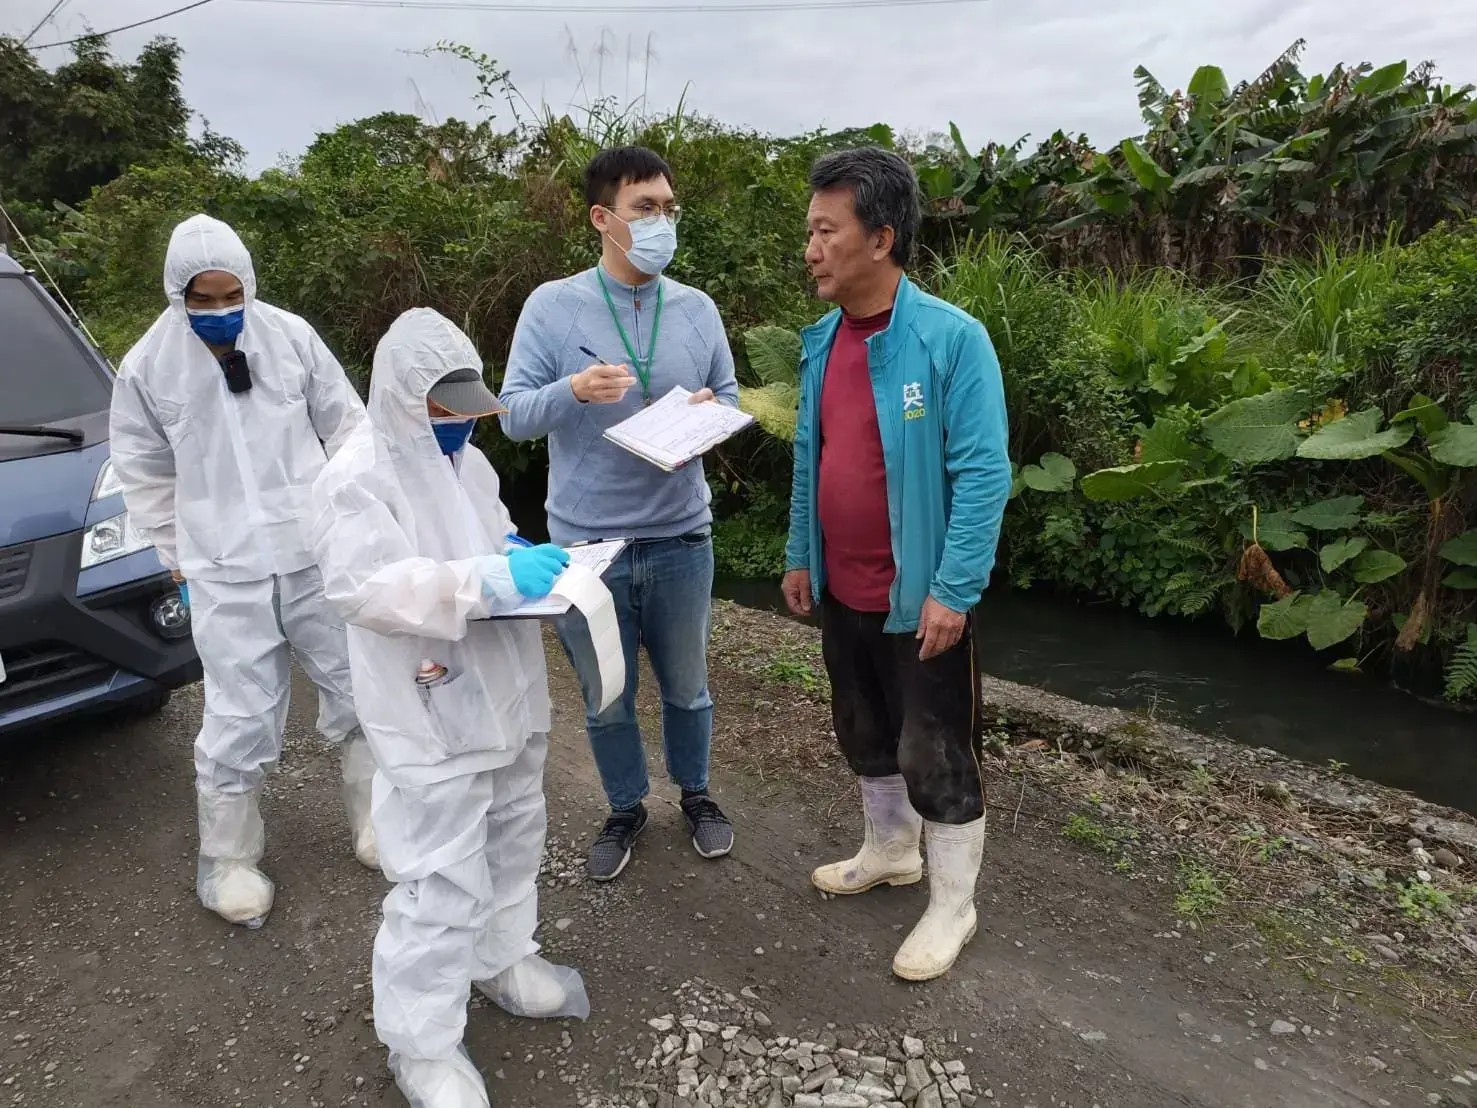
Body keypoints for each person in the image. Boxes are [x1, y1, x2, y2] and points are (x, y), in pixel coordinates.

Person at [308, 307, 589, 1108]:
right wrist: (484, 580)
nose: (460, 426)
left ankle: (502, 957)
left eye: (467, 411)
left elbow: (488, 533)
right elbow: (364, 589)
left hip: (505, 686)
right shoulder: (355, 476)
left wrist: (512, 553)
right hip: (426, 700)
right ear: (403, 398)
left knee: (514, 831)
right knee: (438, 875)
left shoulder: (467, 462)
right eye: (444, 411)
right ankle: (422, 1043)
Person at [109, 213, 379, 931]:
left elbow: (349, 427)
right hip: (222, 567)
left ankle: (379, 821)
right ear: (177, 294)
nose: (220, 310)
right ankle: (228, 859)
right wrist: (176, 554)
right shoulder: (148, 366)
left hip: (314, 552)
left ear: (250, 286)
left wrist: (352, 519)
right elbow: (142, 470)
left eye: (232, 295)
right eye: (202, 299)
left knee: (361, 684)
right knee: (238, 712)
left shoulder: (290, 337)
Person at [780, 148, 1012, 982]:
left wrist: (954, 589)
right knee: (863, 728)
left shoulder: (950, 339)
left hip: (921, 598)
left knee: (935, 751)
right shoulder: (821, 341)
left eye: (825, 231)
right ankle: (889, 851)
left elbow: (982, 472)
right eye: (810, 231)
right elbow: (810, 456)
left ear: (880, 239)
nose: (810, 249)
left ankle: (953, 904)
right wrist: (799, 554)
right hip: (843, 585)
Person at [498, 146, 738, 881]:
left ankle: (695, 794)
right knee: (606, 697)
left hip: (680, 536)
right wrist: (572, 390)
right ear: (603, 218)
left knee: (688, 689)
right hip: (587, 546)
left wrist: (707, 414)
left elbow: (729, 396)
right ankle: (625, 806)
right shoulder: (552, 306)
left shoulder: (697, 309)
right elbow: (512, 415)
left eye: (668, 208)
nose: (662, 221)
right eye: (645, 208)